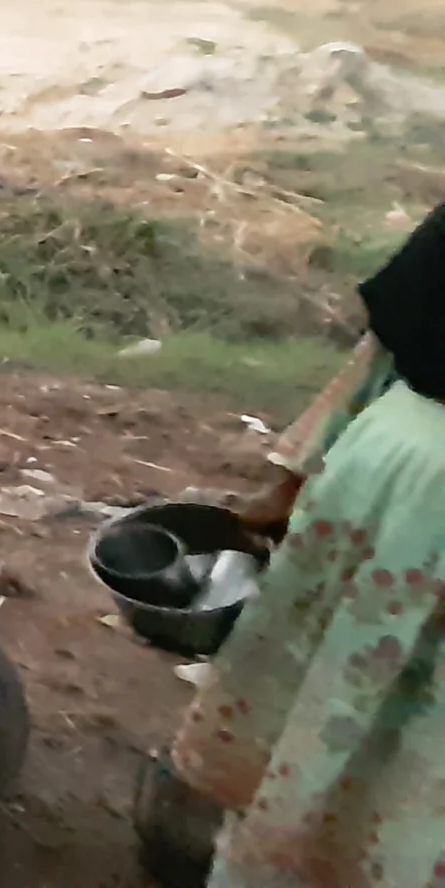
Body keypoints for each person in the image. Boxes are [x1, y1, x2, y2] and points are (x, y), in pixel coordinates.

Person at [169, 199, 445, 886]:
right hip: (407, 501)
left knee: (331, 710)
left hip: (386, 478)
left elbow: (385, 345)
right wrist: (289, 482)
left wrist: (294, 476)